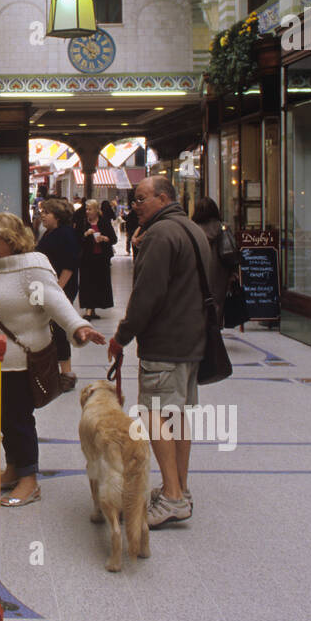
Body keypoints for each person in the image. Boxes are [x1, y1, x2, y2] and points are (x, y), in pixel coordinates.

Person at [0, 213, 104, 507]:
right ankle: (14, 468)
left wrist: (79, 326)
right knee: (4, 419)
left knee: (17, 420)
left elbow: (55, 301)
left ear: (13, 242)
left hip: (17, 361)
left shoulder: (33, 267)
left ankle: (29, 481)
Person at [107, 176, 212, 528]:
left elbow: (147, 295)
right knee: (177, 415)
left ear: (163, 197)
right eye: (134, 200)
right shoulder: (190, 229)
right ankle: (179, 488)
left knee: (156, 416)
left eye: (140, 199)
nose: (134, 205)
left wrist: (122, 336)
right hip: (191, 339)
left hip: (166, 341)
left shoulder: (160, 234)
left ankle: (171, 497)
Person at [36, 197, 81, 392]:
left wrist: (59, 290)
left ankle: (66, 373)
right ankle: (55, 372)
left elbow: (69, 265)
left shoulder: (66, 234)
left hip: (59, 288)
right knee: (51, 329)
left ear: (57, 216)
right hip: (48, 287)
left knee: (59, 329)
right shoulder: (49, 233)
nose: (42, 215)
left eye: (46, 212)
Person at [191, 196, 234, 325]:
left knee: (199, 301)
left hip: (198, 269)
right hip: (220, 271)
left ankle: (201, 330)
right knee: (217, 302)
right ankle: (215, 330)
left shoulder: (193, 229)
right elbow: (232, 251)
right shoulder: (223, 228)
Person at [78, 199, 116, 320]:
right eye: (86, 209)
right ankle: (88, 309)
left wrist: (105, 238)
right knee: (87, 282)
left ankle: (93, 308)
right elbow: (77, 238)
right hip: (87, 258)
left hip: (101, 258)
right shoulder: (83, 223)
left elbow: (113, 238)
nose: (88, 212)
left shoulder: (104, 222)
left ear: (96, 210)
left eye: (90, 209)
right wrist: (85, 234)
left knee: (99, 283)